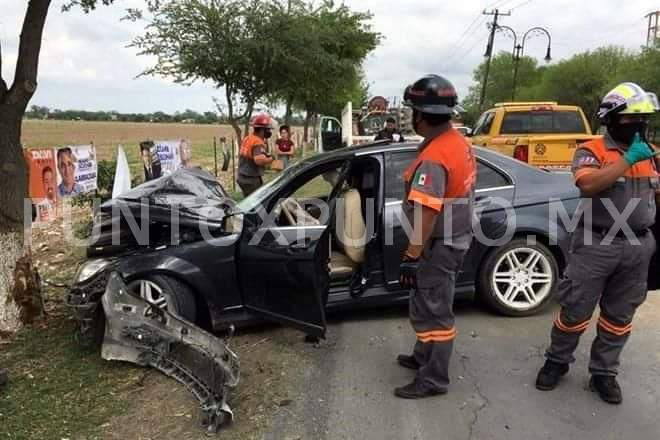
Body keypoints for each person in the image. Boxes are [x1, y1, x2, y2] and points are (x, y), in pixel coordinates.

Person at [535, 82, 660, 404]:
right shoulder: (591, 150)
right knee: (575, 309)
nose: (640, 125)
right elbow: (588, 185)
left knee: (619, 316)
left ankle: (604, 372)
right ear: (613, 119)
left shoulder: (650, 155)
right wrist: (627, 160)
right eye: (633, 118)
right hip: (595, 243)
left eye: (644, 118)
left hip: (637, 246)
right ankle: (557, 361)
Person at [395, 74, 477, 399]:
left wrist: (412, 255)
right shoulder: (457, 143)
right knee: (428, 301)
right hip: (452, 239)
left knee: (435, 309)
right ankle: (422, 357)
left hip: (438, 245)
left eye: (411, 111)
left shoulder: (435, 156)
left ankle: (433, 379)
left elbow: (428, 210)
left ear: (419, 115)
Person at [237, 114, 274, 196]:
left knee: (247, 201)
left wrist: (264, 154)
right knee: (256, 204)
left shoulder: (248, 138)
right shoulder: (258, 142)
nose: (269, 132)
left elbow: (250, 153)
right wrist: (271, 159)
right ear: (262, 130)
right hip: (251, 179)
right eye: (268, 130)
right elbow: (259, 160)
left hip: (242, 176)